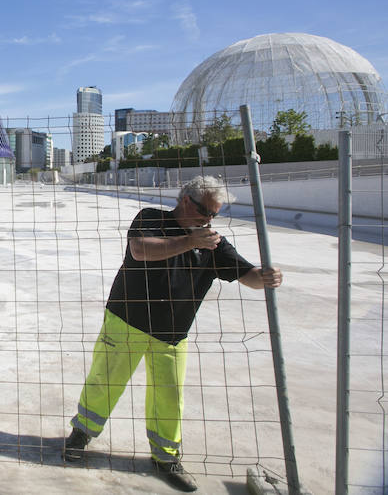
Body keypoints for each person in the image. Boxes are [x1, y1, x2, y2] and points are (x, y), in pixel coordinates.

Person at [62, 175, 282, 492]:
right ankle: (81, 434)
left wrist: (266, 277)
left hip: (172, 333)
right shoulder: (151, 218)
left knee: (169, 396)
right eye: (205, 211)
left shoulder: (213, 243)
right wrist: (188, 242)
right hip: (126, 320)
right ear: (185, 201)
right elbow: (140, 250)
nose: (208, 220)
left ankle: (165, 457)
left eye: (214, 215)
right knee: (104, 380)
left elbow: (247, 275)